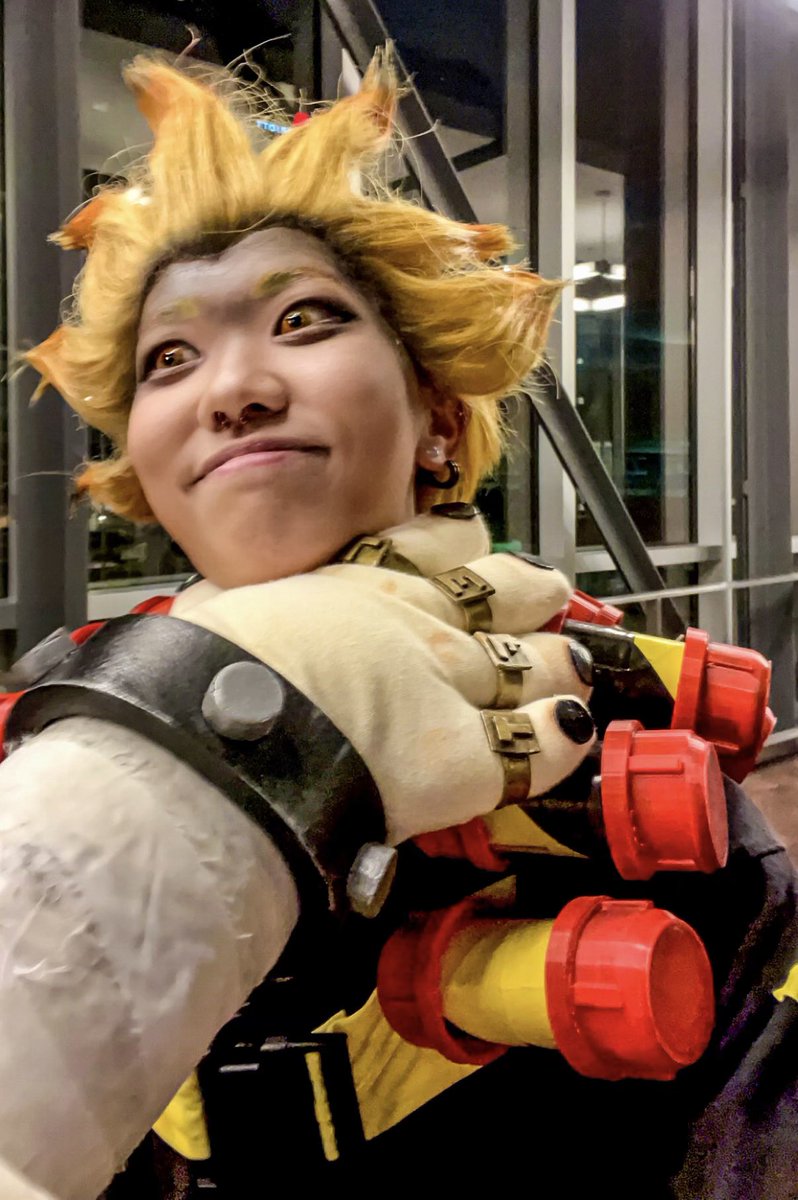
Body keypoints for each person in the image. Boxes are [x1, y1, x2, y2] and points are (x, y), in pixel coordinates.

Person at [0, 46, 794, 1200]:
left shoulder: (621, 749)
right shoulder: (67, 739)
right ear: (146, 470)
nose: (233, 390)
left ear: (436, 417)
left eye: (305, 319)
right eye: (170, 357)